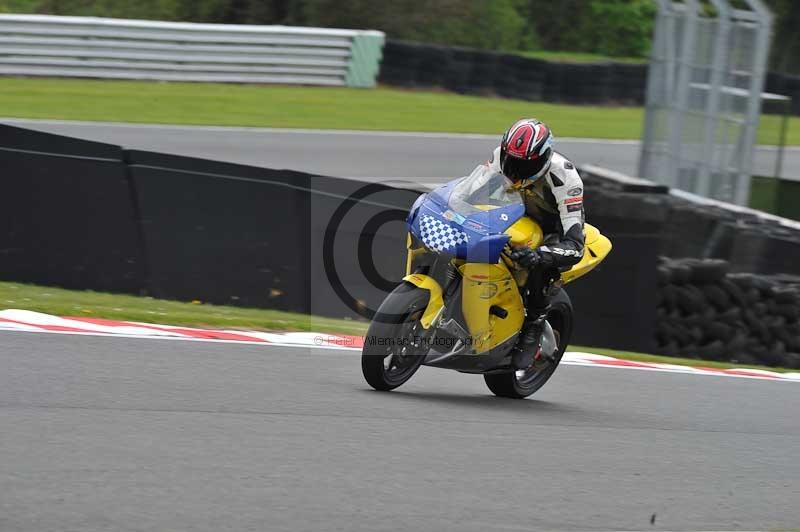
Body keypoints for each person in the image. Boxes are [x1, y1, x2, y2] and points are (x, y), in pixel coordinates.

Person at [487, 118, 586, 369]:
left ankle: (534, 325)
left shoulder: (565, 178)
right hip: (513, 215)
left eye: (524, 164)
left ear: (543, 158)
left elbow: (575, 244)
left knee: (541, 264)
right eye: (512, 161)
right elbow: (475, 193)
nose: (515, 169)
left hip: (552, 229)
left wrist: (540, 255)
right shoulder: (500, 156)